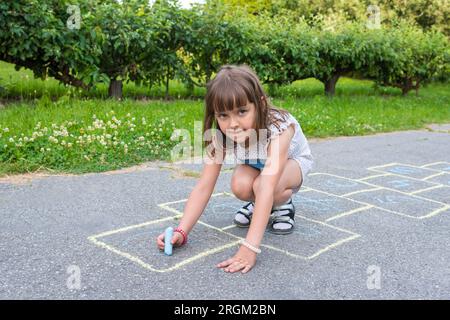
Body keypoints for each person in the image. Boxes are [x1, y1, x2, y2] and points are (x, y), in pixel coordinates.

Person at [156, 64, 313, 273]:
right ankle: (259, 206)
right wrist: (181, 231)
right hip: (257, 164)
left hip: (291, 164)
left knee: (262, 186)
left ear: (260, 104)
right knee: (240, 184)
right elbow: (204, 186)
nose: (233, 124)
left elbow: (266, 184)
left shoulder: (280, 129)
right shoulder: (220, 136)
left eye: (242, 111)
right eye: (223, 115)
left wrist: (250, 248)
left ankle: (283, 206)